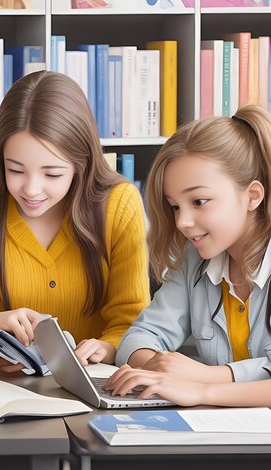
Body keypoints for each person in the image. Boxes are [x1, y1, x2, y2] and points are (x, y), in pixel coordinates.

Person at [0, 71, 150, 372]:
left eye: (52, 174)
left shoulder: (119, 203)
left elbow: (133, 320)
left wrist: (109, 345)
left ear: (81, 165)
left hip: (91, 383)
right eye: (16, 170)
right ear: (0, 159)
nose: (32, 189)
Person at [105, 105, 271, 406]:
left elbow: (201, 383)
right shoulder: (194, 260)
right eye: (175, 206)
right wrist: (161, 368)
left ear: (252, 196)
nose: (182, 222)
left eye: (199, 201)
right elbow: (138, 339)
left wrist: (205, 383)